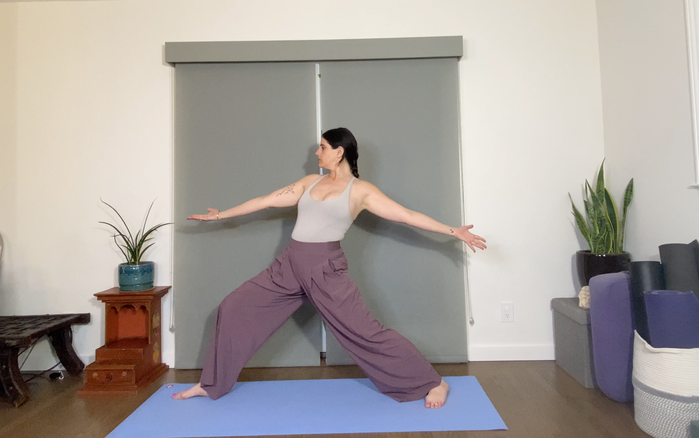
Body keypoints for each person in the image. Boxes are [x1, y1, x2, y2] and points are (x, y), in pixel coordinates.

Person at [173, 127, 487, 408]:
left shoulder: (361, 191)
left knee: (367, 333)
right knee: (233, 307)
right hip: (290, 264)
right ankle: (210, 383)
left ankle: (434, 382)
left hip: (325, 268)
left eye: (322, 146)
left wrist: (452, 231)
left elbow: (406, 215)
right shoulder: (311, 182)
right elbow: (267, 200)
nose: (316, 152)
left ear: (339, 152)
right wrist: (219, 215)